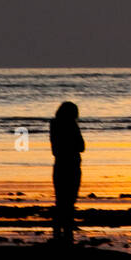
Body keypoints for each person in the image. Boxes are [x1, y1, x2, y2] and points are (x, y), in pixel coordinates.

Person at [49, 101, 85, 244]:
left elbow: (55, 150)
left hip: (60, 165)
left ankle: (59, 233)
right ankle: (67, 233)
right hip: (71, 165)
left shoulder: (54, 125)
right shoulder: (72, 125)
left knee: (61, 200)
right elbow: (81, 146)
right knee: (69, 200)